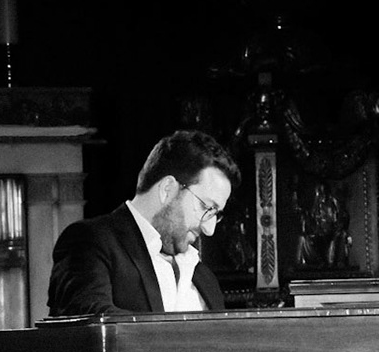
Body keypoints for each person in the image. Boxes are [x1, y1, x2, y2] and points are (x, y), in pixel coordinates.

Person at [46, 129, 240, 316]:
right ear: (167, 189)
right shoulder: (90, 242)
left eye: (216, 214)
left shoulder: (205, 279)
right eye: (207, 208)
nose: (210, 229)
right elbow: (90, 325)